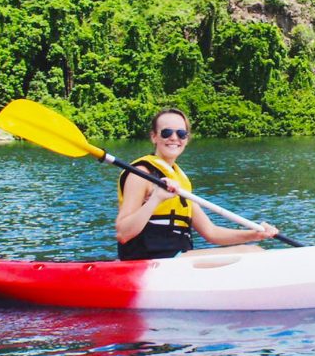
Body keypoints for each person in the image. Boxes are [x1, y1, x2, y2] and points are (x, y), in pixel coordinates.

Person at [116, 108, 279, 260]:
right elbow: (123, 233)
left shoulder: (179, 181)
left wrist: (255, 234)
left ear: (186, 139)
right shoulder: (141, 173)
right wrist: (156, 199)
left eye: (181, 133)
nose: (174, 138)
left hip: (178, 259)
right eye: (166, 133)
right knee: (253, 253)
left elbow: (211, 232)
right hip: (150, 261)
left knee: (255, 249)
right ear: (154, 137)